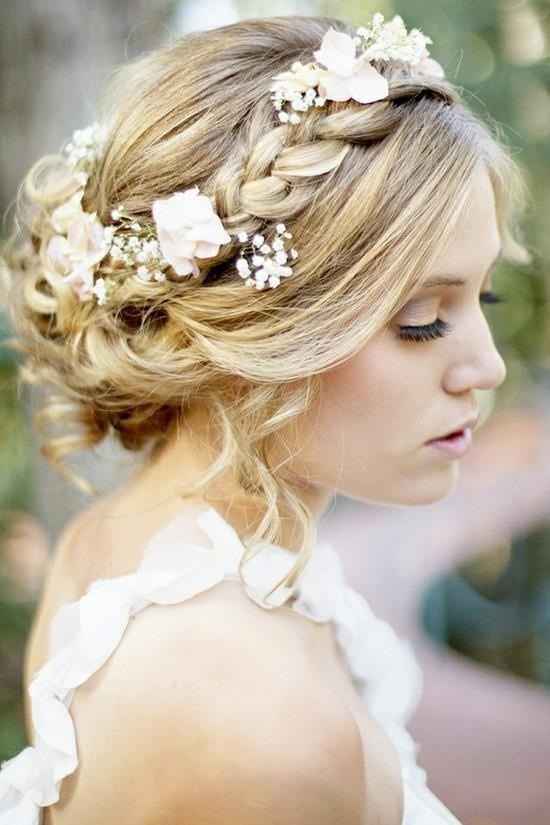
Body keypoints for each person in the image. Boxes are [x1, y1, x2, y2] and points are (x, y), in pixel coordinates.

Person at [0, 12, 532, 825]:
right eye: (422, 317)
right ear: (259, 332)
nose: (485, 366)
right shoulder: (265, 732)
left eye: (480, 296)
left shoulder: (117, 543)